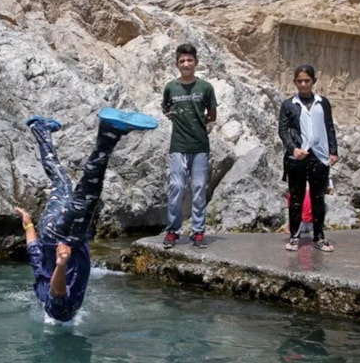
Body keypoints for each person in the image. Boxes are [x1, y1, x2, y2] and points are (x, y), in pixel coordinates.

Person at [14, 107, 158, 322]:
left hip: (66, 237)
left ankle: (109, 133)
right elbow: (33, 250)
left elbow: (58, 293)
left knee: (88, 193)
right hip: (47, 229)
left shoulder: (60, 313)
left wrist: (62, 264)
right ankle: (40, 129)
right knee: (61, 182)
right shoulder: (40, 285)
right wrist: (28, 224)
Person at [161, 43, 217, 249]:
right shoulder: (171, 88)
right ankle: (173, 231)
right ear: (177, 64)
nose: (186, 64)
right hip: (178, 145)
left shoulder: (205, 88)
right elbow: (165, 107)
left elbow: (212, 114)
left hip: (200, 146)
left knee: (199, 188)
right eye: (182, 61)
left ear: (196, 63)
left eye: (189, 60)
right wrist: (173, 117)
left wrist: (203, 122)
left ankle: (198, 231)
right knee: (176, 186)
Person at [279, 64, 338, 252]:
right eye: (299, 81)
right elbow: (283, 130)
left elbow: (329, 126)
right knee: (296, 196)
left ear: (313, 81)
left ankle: (319, 236)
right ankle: (294, 235)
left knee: (318, 197)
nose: (303, 84)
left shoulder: (323, 102)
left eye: (307, 80)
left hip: (319, 156)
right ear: (295, 82)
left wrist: (333, 151)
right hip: (298, 155)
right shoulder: (289, 104)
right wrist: (293, 149)